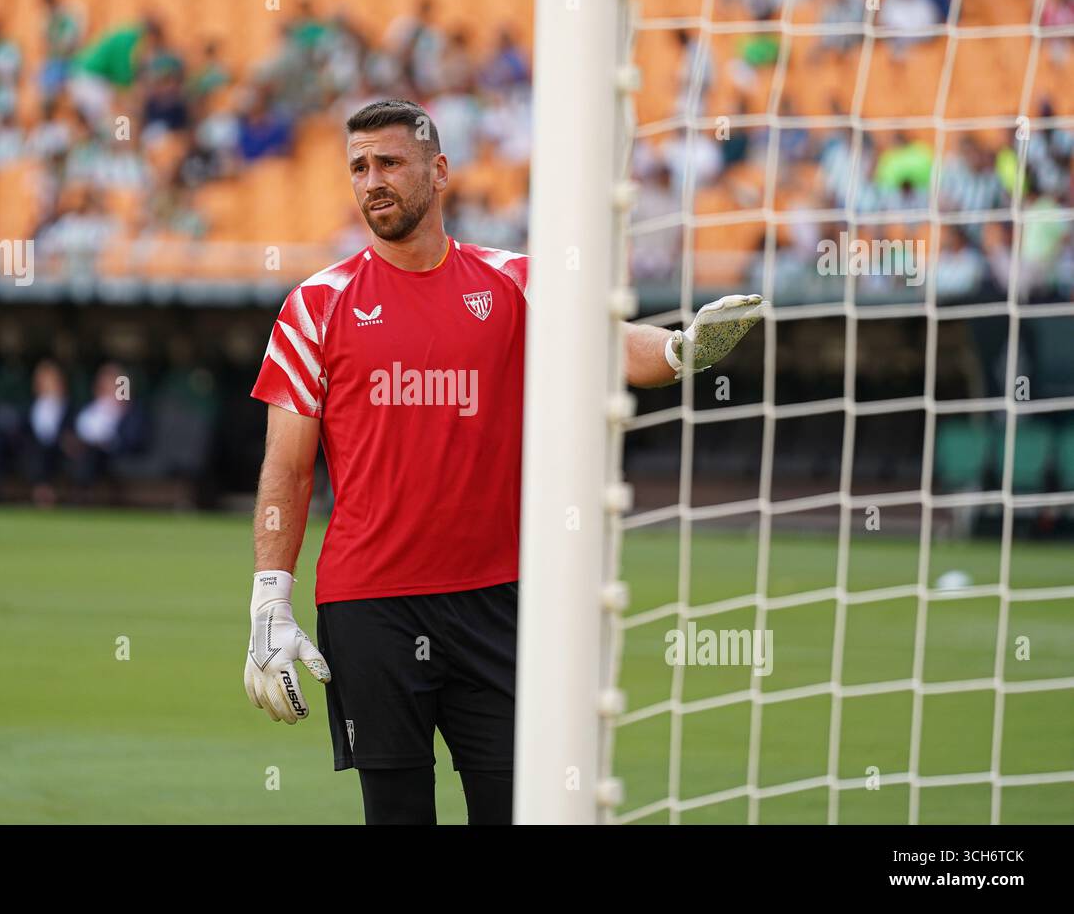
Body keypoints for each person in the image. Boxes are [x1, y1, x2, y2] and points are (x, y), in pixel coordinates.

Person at [243, 99, 766, 825]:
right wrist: (270, 597)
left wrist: (680, 350)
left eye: (390, 163)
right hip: (369, 607)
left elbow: (608, 341)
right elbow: (288, 467)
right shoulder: (316, 306)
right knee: (395, 815)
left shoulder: (513, 282)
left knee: (520, 808)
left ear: (440, 171)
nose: (372, 182)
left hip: (498, 599)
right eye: (359, 168)